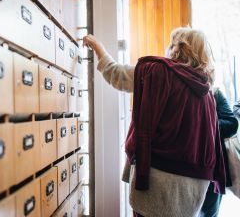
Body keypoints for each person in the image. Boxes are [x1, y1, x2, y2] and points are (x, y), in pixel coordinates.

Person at [83, 27, 227, 217]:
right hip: (193, 192)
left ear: (177, 47)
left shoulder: (158, 73)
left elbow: (115, 74)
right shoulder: (207, 93)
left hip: (156, 184)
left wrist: (98, 47)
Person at [200, 88, 238, 216]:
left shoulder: (215, 92)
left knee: (210, 212)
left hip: (212, 169)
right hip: (183, 168)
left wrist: (205, 125)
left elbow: (232, 124)